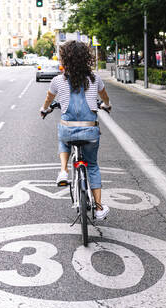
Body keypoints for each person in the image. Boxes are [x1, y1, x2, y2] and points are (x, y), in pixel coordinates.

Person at [39, 40, 112, 220]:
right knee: (93, 166)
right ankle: (99, 208)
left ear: (65, 59)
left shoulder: (57, 81)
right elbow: (105, 98)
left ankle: (63, 170)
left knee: (62, 134)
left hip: (68, 131)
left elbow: (48, 99)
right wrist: (106, 105)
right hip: (90, 132)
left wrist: (44, 109)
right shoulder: (95, 79)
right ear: (86, 59)